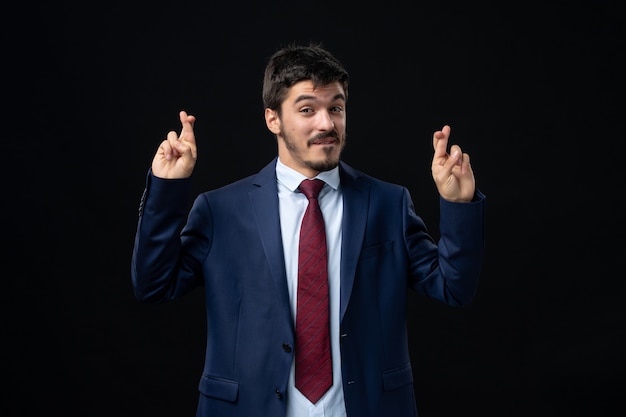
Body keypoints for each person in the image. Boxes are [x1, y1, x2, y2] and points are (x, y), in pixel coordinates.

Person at [131, 42, 486, 417]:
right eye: (307, 110)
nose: (327, 124)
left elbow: (454, 287)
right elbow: (154, 285)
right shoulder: (221, 210)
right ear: (273, 119)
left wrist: (458, 204)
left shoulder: (387, 203)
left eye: (336, 108)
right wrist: (167, 189)